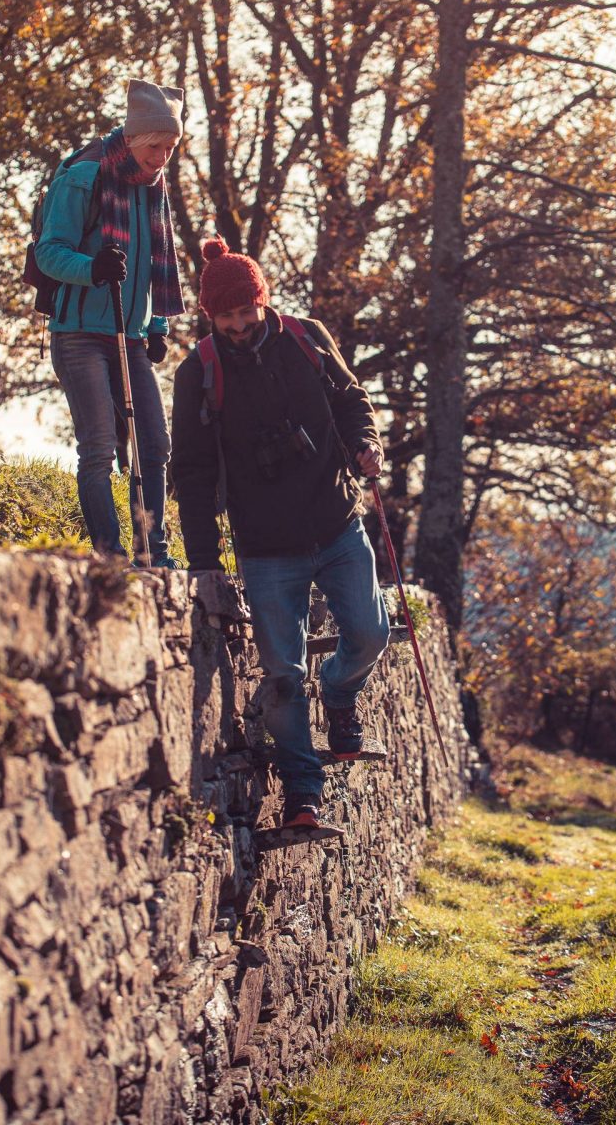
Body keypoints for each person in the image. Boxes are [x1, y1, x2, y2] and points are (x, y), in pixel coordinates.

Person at [171, 237, 390, 828]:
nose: (240, 325)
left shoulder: (307, 337)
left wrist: (365, 443)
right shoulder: (198, 374)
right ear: (208, 315)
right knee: (282, 679)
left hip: (338, 522)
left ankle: (340, 691)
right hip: (265, 548)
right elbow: (190, 472)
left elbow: (351, 398)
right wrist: (204, 559)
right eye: (227, 317)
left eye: (248, 312)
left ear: (264, 302)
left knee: (371, 634)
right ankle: (303, 795)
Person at [35, 78, 186, 567]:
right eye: (157, 146)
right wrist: (92, 269)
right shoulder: (85, 175)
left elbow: (156, 261)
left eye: (171, 147)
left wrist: (158, 325)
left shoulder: (152, 187)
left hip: (132, 336)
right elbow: (49, 253)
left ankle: (153, 551)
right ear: (136, 139)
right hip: (79, 334)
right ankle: (111, 555)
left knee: (155, 446)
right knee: (99, 448)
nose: (163, 157)